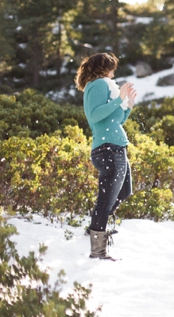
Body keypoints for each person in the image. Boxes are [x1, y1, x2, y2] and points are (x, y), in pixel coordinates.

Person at [75, 53, 137, 261]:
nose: (114, 72)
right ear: (102, 69)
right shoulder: (98, 85)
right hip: (108, 149)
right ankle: (98, 250)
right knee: (105, 201)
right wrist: (119, 98)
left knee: (125, 190)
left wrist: (127, 106)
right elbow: (95, 116)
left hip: (117, 147)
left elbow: (115, 119)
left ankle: (95, 226)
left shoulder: (107, 86)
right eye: (111, 67)